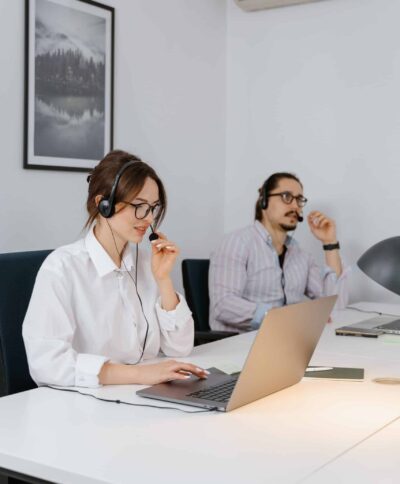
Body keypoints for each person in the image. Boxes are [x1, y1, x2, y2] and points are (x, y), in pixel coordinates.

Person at [23, 150, 208, 388]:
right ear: (104, 205)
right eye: (139, 206)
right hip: (84, 406)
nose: (148, 218)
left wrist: (163, 279)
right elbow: (46, 364)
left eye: (153, 207)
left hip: (142, 396)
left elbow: (180, 347)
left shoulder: (146, 264)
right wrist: (142, 375)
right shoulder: (62, 268)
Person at [209, 172, 349, 333]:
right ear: (264, 201)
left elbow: (335, 307)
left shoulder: (301, 255)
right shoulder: (237, 243)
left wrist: (329, 242)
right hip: (240, 343)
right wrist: (283, 317)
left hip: (286, 340)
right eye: (286, 197)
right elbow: (223, 306)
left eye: (299, 199)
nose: (295, 206)